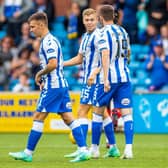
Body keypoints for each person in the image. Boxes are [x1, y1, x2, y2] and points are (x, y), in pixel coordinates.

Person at [8, 12, 91, 163]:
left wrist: (39, 73)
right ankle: (83, 149)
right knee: (68, 117)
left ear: (41, 25)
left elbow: (52, 64)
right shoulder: (49, 40)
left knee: (38, 116)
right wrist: (43, 77)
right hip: (59, 85)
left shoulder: (48, 42)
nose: (31, 29)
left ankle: (28, 152)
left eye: (33, 27)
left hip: (54, 86)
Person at [63, 8, 120, 159]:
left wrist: (95, 72)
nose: (89, 22)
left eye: (92, 20)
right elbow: (79, 58)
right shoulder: (86, 36)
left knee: (82, 112)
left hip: (95, 80)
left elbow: (107, 57)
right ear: (83, 21)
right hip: (88, 79)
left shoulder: (99, 35)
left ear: (97, 20)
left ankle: (83, 149)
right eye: (87, 20)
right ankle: (113, 147)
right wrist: (62, 64)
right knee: (103, 114)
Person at [90, 5, 134, 159]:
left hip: (108, 79)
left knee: (97, 113)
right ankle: (128, 150)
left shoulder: (102, 33)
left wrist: (106, 78)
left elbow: (105, 54)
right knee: (127, 114)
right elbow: (128, 53)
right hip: (124, 77)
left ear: (101, 18)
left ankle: (94, 149)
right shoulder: (123, 31)